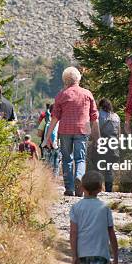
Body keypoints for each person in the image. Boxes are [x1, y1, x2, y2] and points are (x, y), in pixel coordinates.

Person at [45, 67, 100, 197]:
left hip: (65, 129)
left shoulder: (61, 95)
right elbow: (94, 117)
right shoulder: (87, 94)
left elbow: (55, 117)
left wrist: (48, 135)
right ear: (78, 78)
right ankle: (79, 177)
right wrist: (97, 136)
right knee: (80, 158)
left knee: (67, 159)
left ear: (65, 80)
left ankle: (69, 188)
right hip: (83, 129)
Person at [97, 98, 121, 192]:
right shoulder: (116, 116)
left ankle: (97, 189)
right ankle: (108, 190)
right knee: (109, 169)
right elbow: (119, 133)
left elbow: (95, 128)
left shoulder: (99, 115)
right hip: (113, 145)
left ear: (101, 106)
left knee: (97, 166)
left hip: (102, 144)